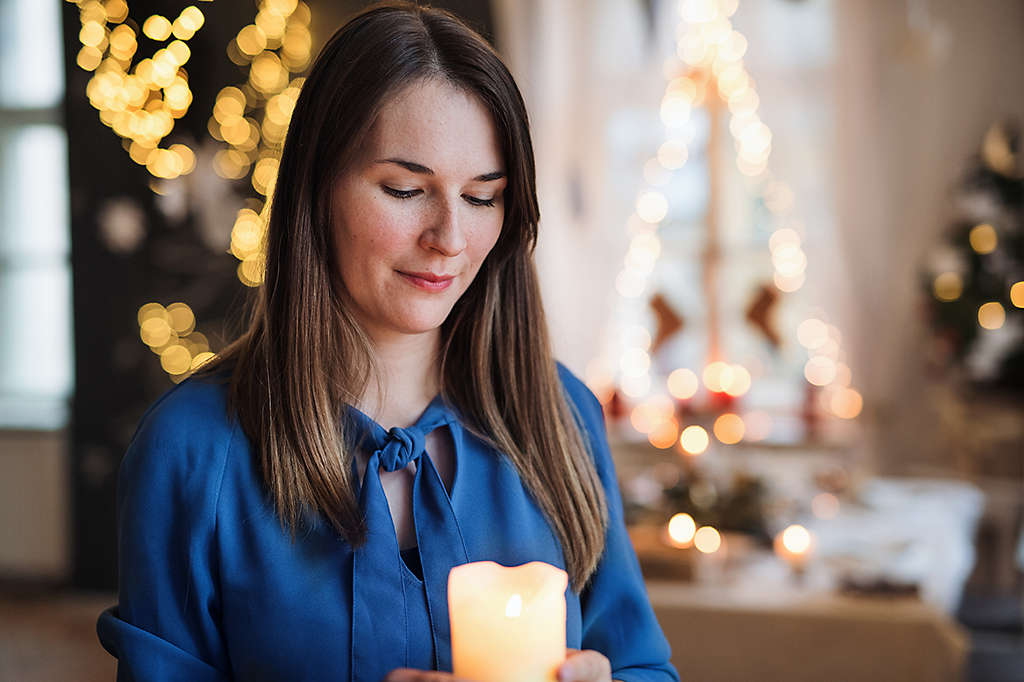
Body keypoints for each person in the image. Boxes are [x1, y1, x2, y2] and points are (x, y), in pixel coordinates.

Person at [96, 3, 679, 681]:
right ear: (318, 192)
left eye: (483, 196)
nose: (450, 239)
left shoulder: (562, 416)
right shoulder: (192, 450)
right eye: (406, 190)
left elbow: (644, 667)